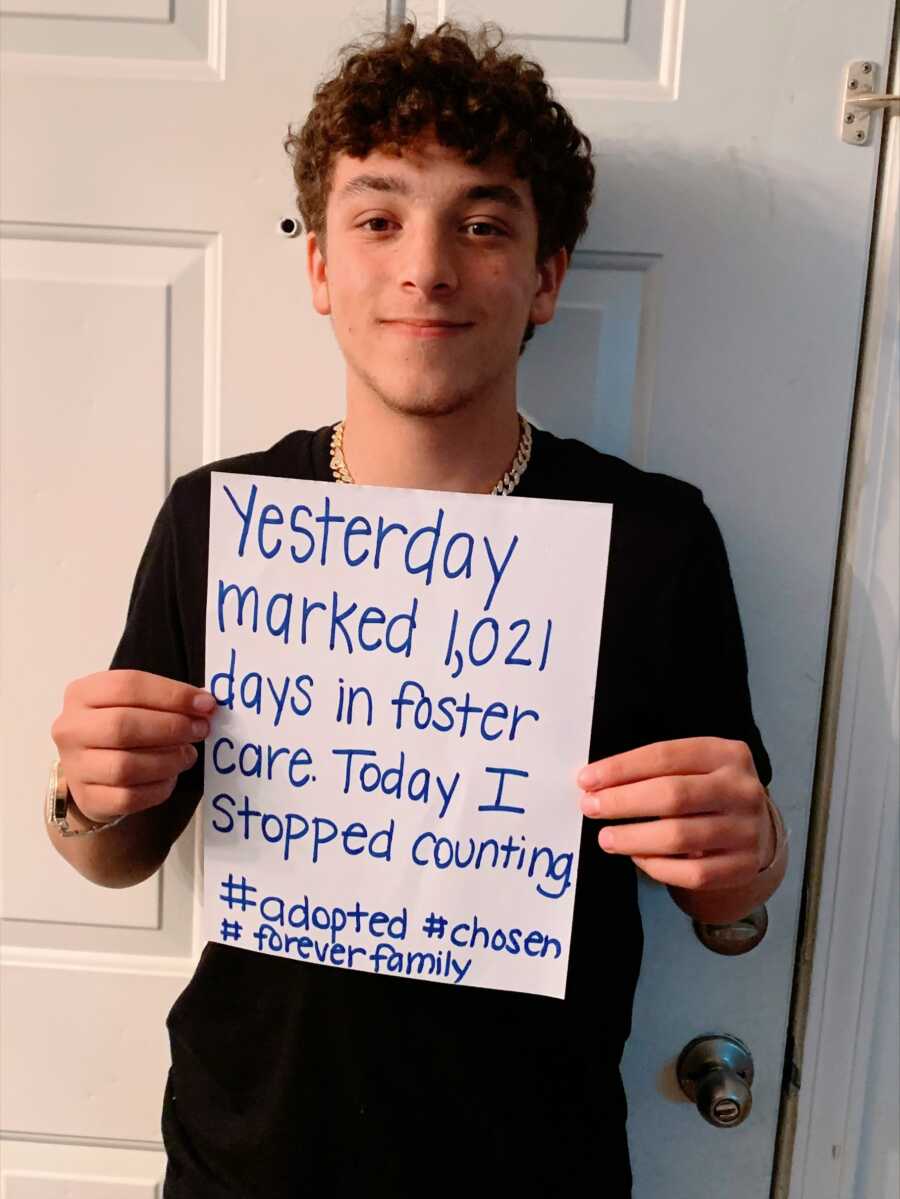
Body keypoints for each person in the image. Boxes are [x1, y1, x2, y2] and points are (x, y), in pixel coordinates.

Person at [47, 19, 788, 1198]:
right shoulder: (222, 517)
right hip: (248, 1160)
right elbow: (119, 853)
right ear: (319, 267)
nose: (427, 267)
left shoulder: (655, 541)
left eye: (483, 225)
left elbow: (726, 896)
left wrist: (746, 857)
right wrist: (88, 793)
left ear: (546, 277)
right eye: (379, 218)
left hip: (535, 1165)